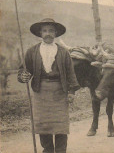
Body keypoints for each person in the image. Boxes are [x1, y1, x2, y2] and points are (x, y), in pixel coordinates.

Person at [17, 18, 80, 153]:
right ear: (40, 33)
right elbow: (24, 71)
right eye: (45, 30)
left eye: (51, 31)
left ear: (56, 33)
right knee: (43, 125)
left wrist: (71, 92)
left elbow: (70, 73)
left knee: (61, 126)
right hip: (40, 92)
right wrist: (23, 76)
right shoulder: (32, 51)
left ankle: (61, 151)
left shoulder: (63, 52)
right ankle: (48, 150)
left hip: (59, 92)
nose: (48, 34)